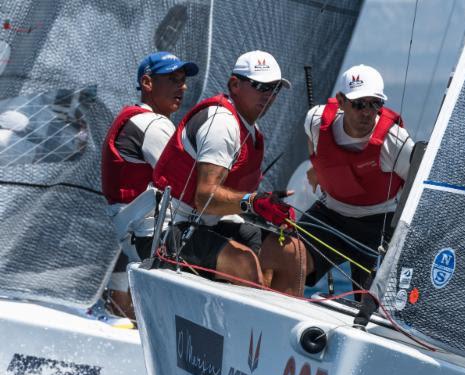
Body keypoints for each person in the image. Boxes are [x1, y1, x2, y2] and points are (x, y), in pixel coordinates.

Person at [153, 50, 305, 295]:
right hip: (169, 227)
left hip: (209, 223)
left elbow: (232, 200)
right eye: (260, 86)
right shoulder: (222, 123)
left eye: (275, 89)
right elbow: (205, 197)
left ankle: (279, 327)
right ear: (234, 84)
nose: (269, 95)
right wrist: (253, 203)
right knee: (242, 262)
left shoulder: (251, 130)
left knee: (291, 250)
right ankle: (252, 327)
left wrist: (268, 206)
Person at [299, 64, 414, 293]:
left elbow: (416, 189)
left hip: (378, 223)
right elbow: (315, 149)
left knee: (372, 299)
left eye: (375, 104)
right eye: (360, 104)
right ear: (341, 101)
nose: (367, 112)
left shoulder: (395, 143)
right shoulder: (315, 120)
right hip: (330, 214)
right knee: (283, 254)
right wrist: (318, 170)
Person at [101, 51, 199, 318]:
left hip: (134, 232)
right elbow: (192, 186)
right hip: (148, 236)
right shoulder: (152, 124)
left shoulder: (135, 118)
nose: (183, 86)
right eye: (173, 79)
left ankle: (120, 310)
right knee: (240, 260)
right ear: (147, 83)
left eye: (183, 80)